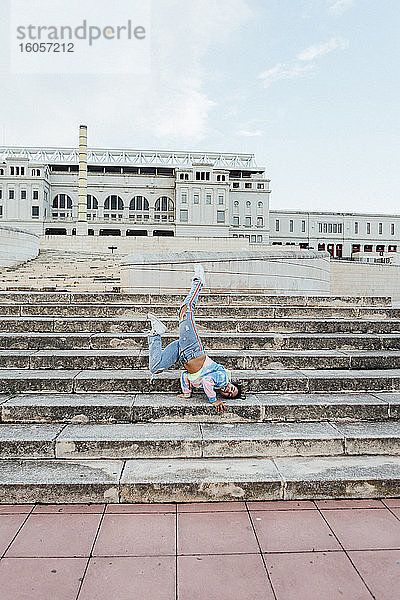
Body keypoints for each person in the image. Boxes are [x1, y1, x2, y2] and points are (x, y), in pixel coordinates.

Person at [147, 263, 242, 413]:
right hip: (193, 350)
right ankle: (198, 281)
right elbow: (207, 381)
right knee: (186, 310)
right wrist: (214, 400)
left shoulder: (207, 385)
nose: (228, 390)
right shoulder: (223, 378)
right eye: (232, 389)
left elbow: (185, 375)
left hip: (182, 354)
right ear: (232, 383)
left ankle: (155, 333)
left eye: (229, 394)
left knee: (155, 367)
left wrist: (187, 393)